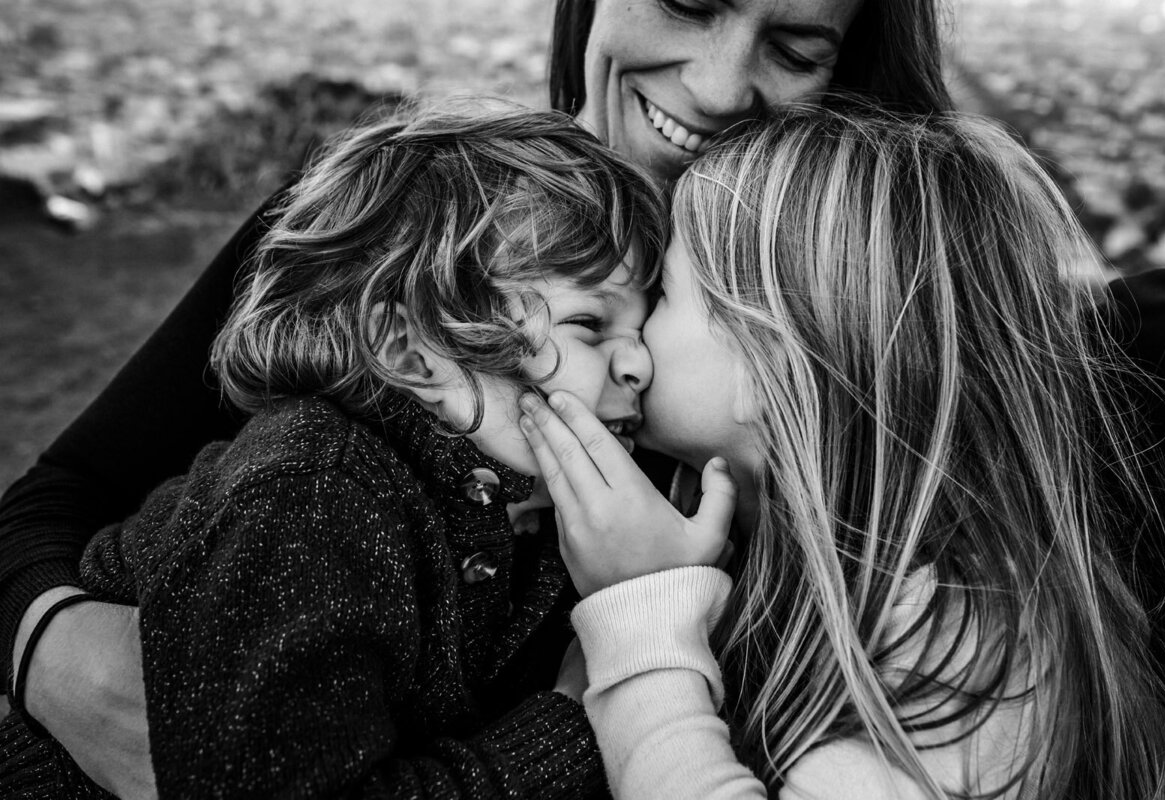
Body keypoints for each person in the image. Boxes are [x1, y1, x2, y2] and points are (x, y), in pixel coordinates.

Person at [0, 0, 1165, 795]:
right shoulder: (405, 239)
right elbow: (50, 506)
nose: (722, 85)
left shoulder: (892, 320)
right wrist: (72, 667)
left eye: (795, 44)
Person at [519, 102, 1165, 799]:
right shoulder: (797, 555)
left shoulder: (962, 643)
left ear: (770, 367)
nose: (629, 346)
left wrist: (642, 621)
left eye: (661, 295)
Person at [0, 102, 668, 799]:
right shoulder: (310, 498)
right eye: (591, 323)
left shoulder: (514, 502)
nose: (640, 364)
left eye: (643, 326)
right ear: (409, 350)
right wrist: (566, 733)